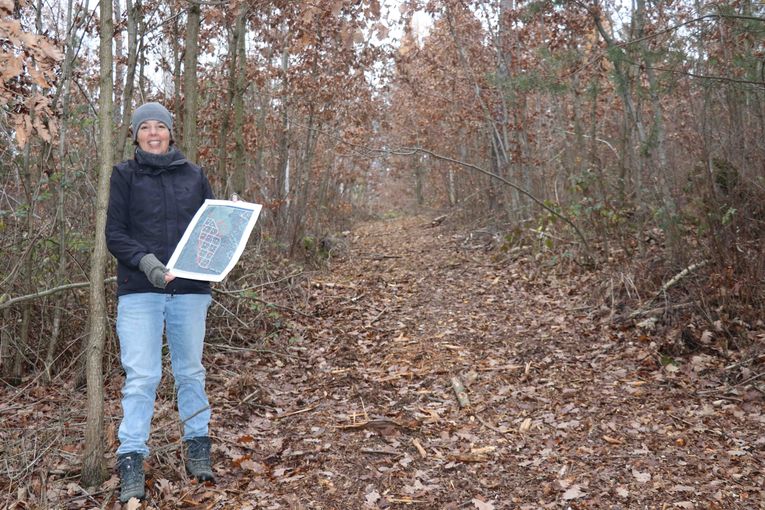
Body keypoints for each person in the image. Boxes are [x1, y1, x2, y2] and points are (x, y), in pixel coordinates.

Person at [106, 102, 216, 503]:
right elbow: (114, 234)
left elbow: (212, 232)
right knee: (143, 378)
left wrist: (231, 223)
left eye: (160, 126)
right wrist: (148, 263)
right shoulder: (123, 176)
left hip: (189, 292)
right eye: (145, 127)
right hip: (140, 290)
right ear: (135, 135)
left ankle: (198, 446)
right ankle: (132, 458)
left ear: (171, 132)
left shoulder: (195, 176)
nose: (154, 133)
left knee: (191, 372)